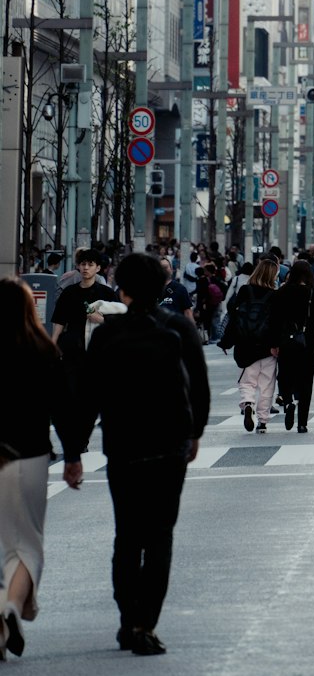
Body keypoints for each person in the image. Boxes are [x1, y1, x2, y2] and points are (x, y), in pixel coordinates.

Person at [76, 252, 209, 657]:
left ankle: (127, 618)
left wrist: (73, 450)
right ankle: (146, 623)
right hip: (169, 447)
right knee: (160, 536)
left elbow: (88, 395)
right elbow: (199, 386)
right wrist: (195, 433)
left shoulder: (107, 335)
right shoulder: (178, 330)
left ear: (123, 289)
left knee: (128, 535)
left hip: (123, 447)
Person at [0, 280, 82, 660]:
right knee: (27, 545)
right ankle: (10, 610)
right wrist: (72, 456)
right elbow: (63, 408)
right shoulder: (42, 350)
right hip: (28, 456)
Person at [221, 256, 279, 433]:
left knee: (247, 381)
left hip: (245, 345)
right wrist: (277, 344)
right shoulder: (275, 295)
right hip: (268, 347)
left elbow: (234, 316)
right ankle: (262, 421)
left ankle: (247, 403)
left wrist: (226, 341)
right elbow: (278, 323)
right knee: (267, 384)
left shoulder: (245, 290)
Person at [49, 248, 117, 390]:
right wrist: (53, 342)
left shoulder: (107, 293)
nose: (86, 268)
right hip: (72, 346)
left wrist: (101, 320)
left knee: (94, 387)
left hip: (97, 347)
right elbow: (59, 319)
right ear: (78, 266)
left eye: (90, 264)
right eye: (83, 264)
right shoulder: (69, 292)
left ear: (98, 268)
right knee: (72, 386)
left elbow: (119, 322)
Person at [272, 259, 314, 432]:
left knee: (285, 376)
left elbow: (275, 318)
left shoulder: (282, 291)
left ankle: (287, 403)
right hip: (308, 343)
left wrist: (274, 342)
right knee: (306, 382)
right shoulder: (313, 293)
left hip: (287, 342)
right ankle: (302, 422)